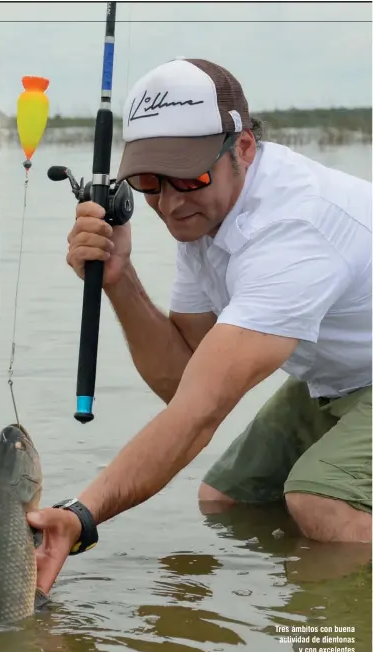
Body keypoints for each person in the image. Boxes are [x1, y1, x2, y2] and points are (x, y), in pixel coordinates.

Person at [28, 57, 372, 595]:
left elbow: (200, 411)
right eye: (149, 181)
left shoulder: (293, 230)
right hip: (340, 377)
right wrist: (119, 279)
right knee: (227, 500)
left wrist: (81, 516)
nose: (169, 202)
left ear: (244, 149)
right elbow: (179, 380)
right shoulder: (204, 217)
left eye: (189, 175)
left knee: (321, 501)